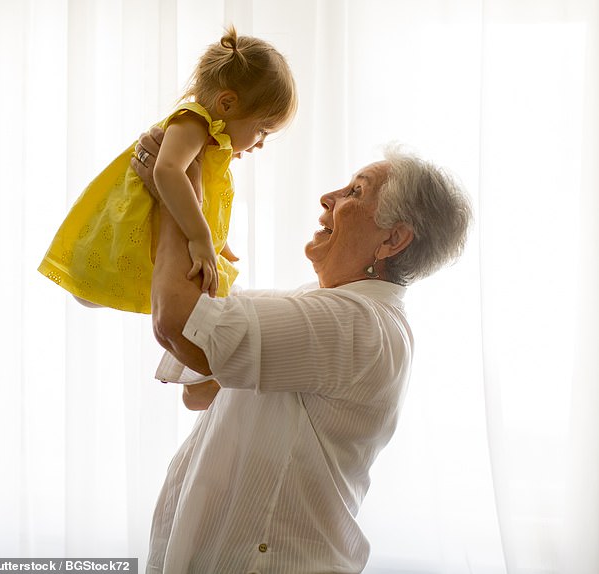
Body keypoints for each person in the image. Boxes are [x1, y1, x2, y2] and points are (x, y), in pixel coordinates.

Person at [132, 129, 472, 573]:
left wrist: (178, 190)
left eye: (355, 192)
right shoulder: (315, 305)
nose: (327, 197)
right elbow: (197, 389)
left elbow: (179, 323)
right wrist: (180, 193)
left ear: (392, 241)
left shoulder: (358, 324)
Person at [37, 26, 297, 311]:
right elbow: (167, 171)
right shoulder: (193, 122)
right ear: (226, 103)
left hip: (160, 231)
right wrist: (201, 237)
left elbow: (201, 197)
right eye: (261, 129)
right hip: (133, 225)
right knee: (92, 289)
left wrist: (218, 243)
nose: (260, 143)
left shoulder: (211, 144)